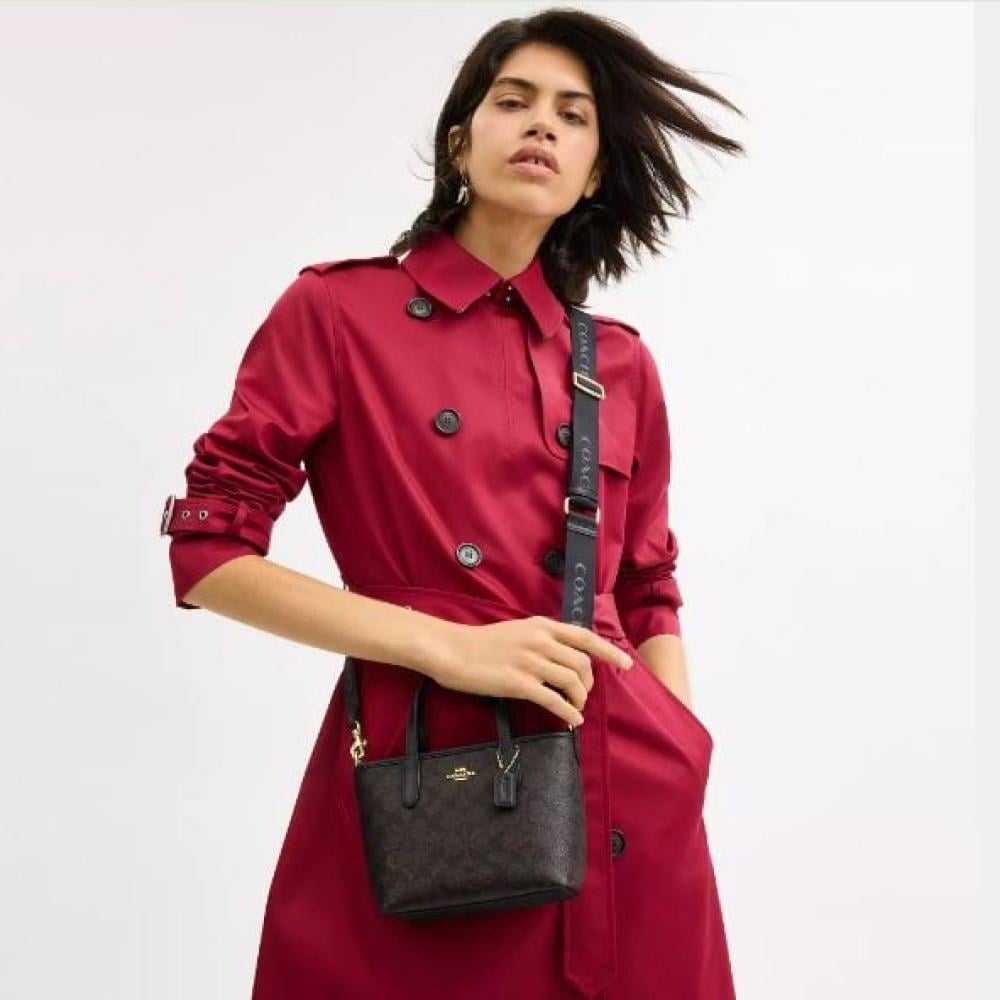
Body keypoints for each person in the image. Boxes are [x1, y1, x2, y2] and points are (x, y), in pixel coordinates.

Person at [159, 8, 745, 998]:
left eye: (573, 115)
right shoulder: (339, 312)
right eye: (514, 100)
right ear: (459, 140)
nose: (542, 124)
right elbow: (209, 554)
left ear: (593, 173)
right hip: (429, 776)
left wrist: (682, 746)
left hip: (625, 791)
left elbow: (649, 585)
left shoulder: (621, 365)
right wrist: (449, 646)